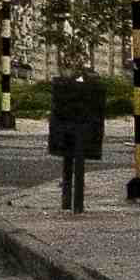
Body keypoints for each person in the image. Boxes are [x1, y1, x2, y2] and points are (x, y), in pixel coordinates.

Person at [46, 66, 111, 213]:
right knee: (76, 156)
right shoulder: (91, 90)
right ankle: (76, 205)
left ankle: (69, 202)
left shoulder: (64, 88)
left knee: (70, 158)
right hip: (83, 126)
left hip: (69, 126)